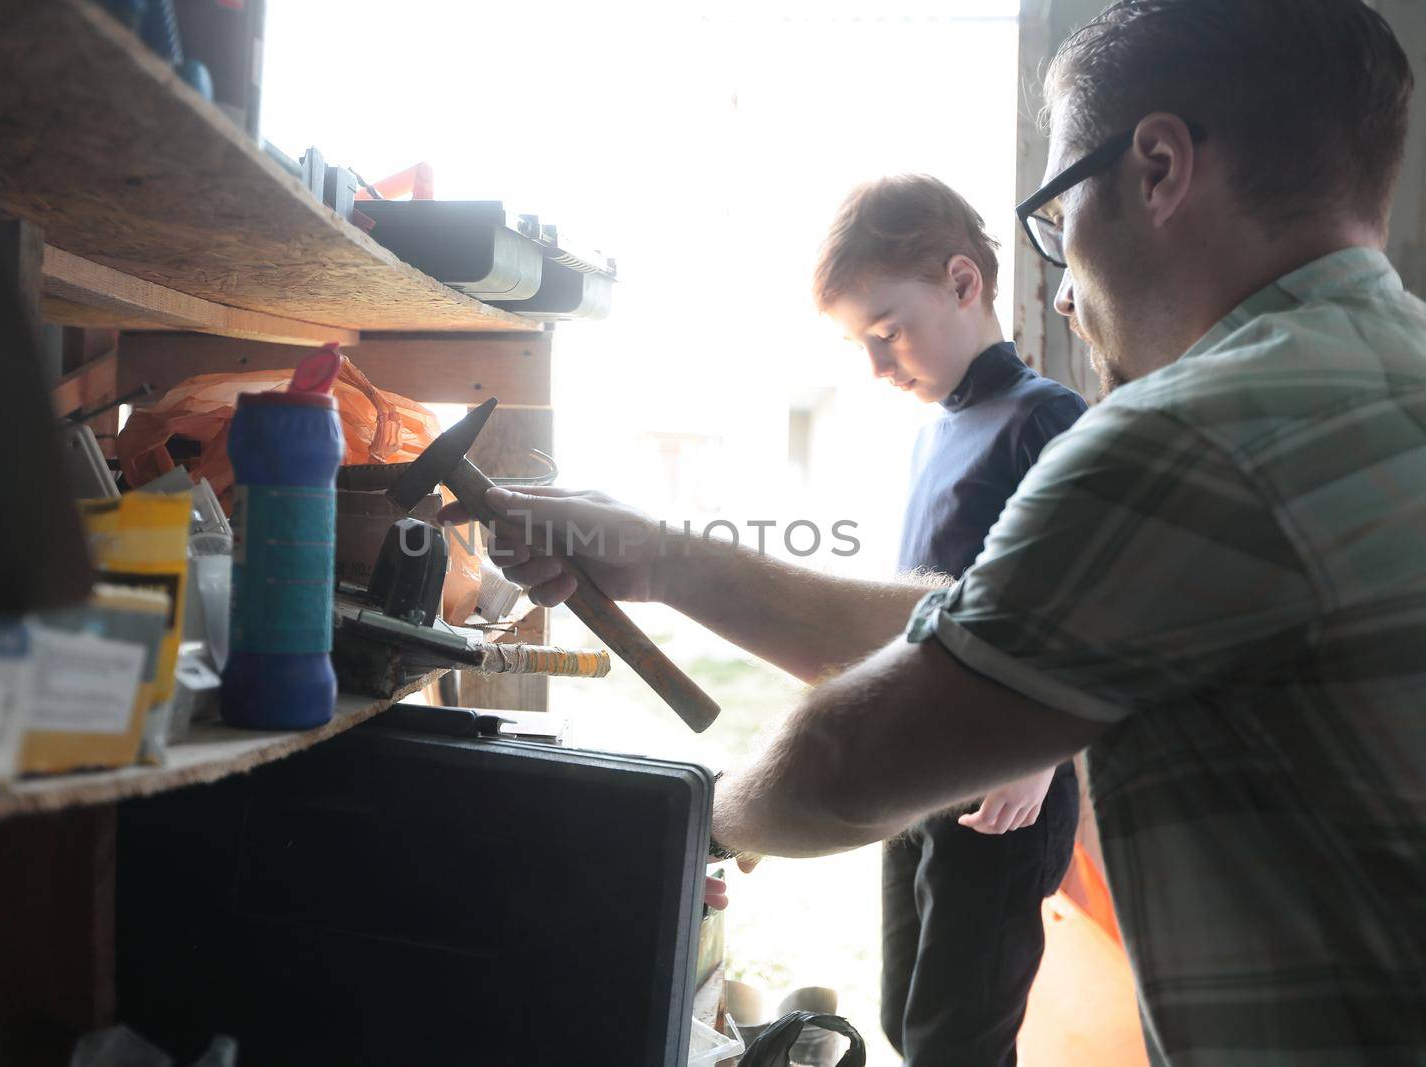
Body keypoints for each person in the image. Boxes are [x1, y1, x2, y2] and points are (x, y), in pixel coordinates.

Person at [448, 0, 1424, 1059]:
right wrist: (662, 554)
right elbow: (982, 621)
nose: (1061, 289)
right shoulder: (1368, 380)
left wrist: (684, 821)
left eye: (1056, 215)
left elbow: (845, 759)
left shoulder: (1188, 433)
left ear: (1156, 168)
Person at [813, 174, 1085, 1065]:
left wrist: (1039, 752)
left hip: (1005, 777)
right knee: (905, 1015)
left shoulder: (1045, 420)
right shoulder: (937, 426)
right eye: (863, 344)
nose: (879, 367)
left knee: (956, 1039)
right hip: (921, 767)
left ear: (963, 284)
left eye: (887, 332)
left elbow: (1087, 605)